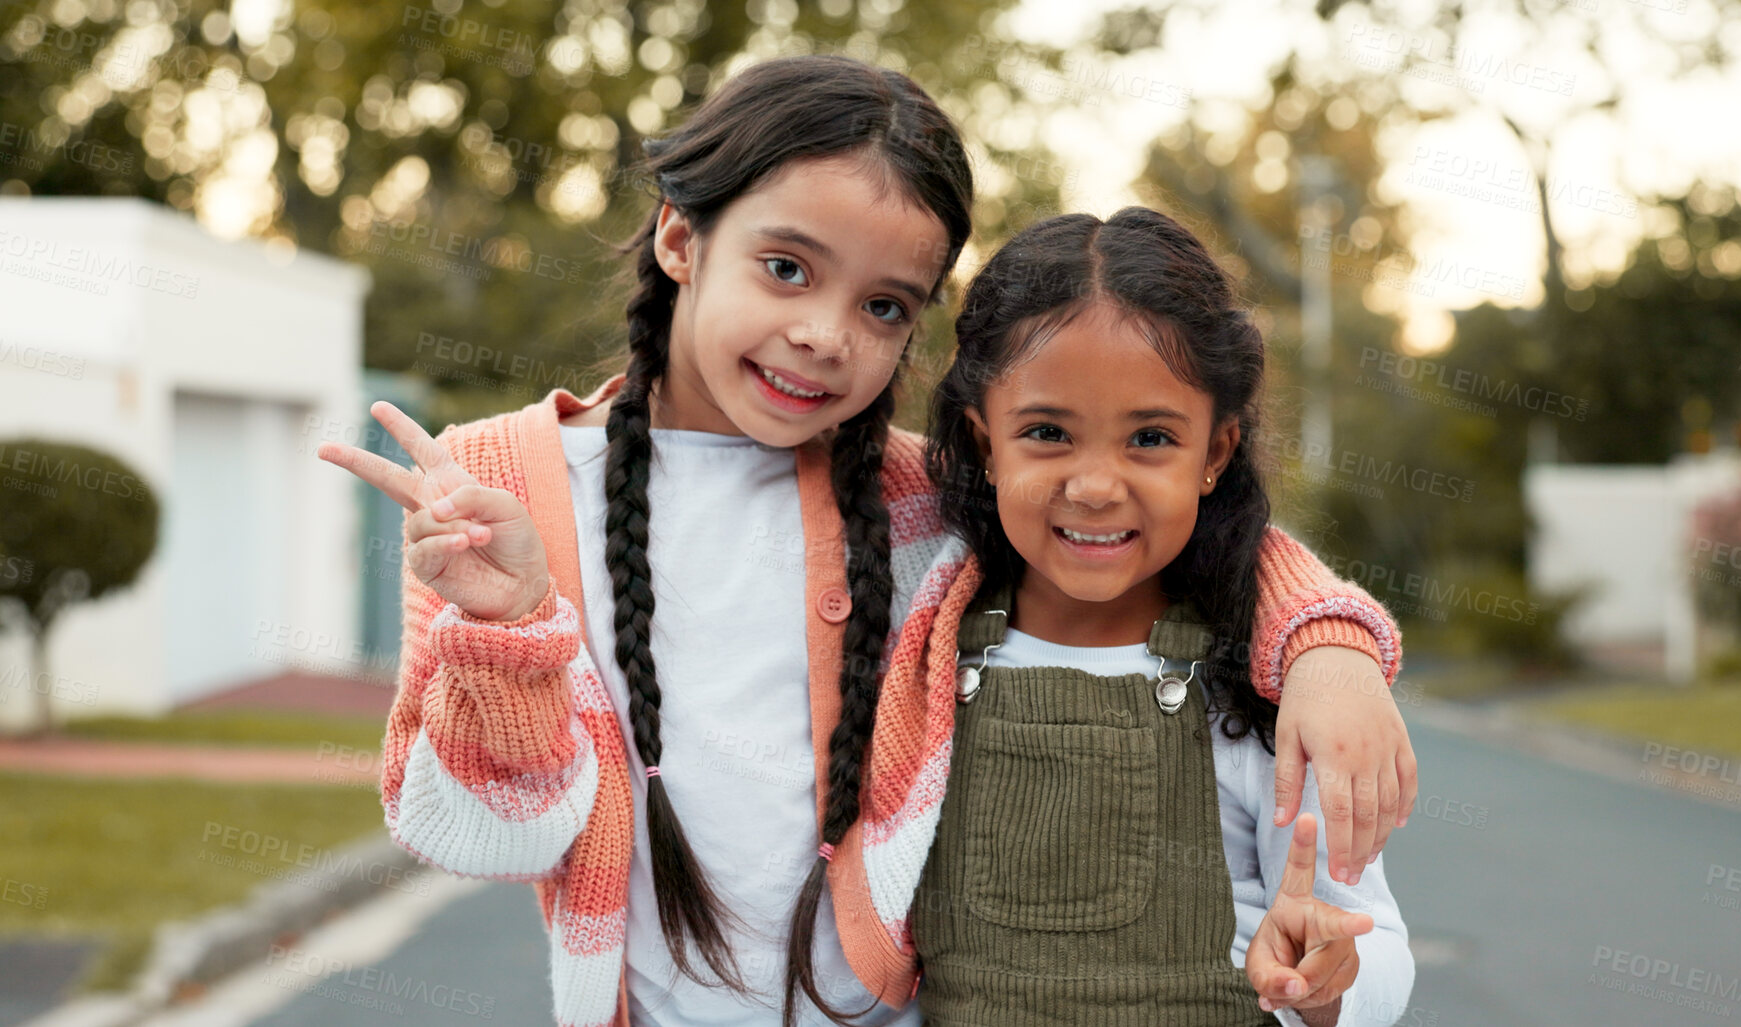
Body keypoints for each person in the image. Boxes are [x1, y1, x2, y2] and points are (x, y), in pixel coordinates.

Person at [318, 56, 1413, 1027]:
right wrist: (503, 627)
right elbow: (478, 838)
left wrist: (1329, 646)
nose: (825, 335)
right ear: (681, 235)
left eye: (887, 307)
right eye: (787, 267)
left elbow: (1140, 519)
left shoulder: (914, 492)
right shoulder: (500, 493)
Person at [883, 208, 1413, 1025]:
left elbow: (1377, 952)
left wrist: (1327, 973)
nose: (1095, 485)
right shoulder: (918, 646)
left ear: (1216, 453)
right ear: (982, 441)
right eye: (1047, 432)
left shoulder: (1263, 689)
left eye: (1151, 438)